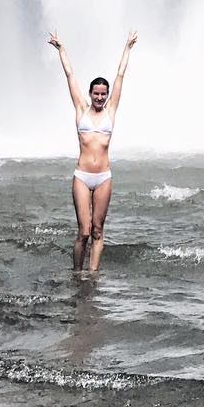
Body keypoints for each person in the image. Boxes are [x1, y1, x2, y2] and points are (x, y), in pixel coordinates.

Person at [47, 28, 138, 270]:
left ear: (107, 95)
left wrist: (127, 48)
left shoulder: (111, 111)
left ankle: (92, 276)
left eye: (103, 94)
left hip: (104, 177)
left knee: (98, 231)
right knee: (84, 231)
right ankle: (77, 273)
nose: (99, 97)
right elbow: (70, 75)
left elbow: (120, 75)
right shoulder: (81, 109)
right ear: (90, 94)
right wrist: (61, 48)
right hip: (82, 176)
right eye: (96, 93)